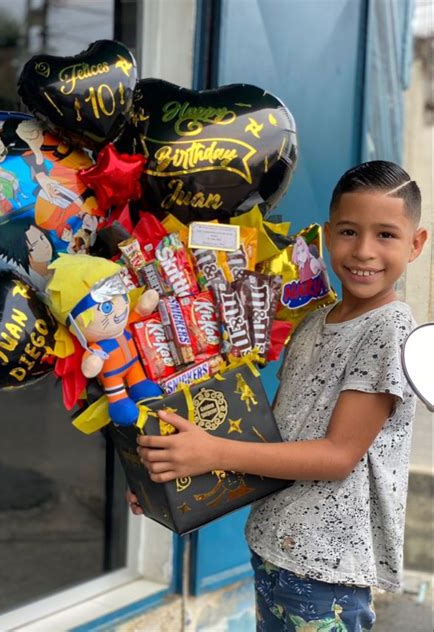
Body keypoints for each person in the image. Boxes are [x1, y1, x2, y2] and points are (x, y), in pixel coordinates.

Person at [129, 161, 428, 631]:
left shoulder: (389, 328)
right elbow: (271, 436)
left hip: (325, 568)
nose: (364, 251)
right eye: (349, 231)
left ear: (416, 244)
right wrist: (172, 476)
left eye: (386, 235)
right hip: (276, 545)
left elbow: (336, 456)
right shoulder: (314, 321)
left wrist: (209, 453)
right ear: (328, 235)